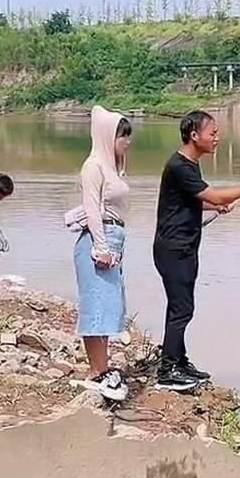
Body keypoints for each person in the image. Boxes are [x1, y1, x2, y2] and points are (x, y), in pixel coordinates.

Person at [153, 110, 240, 392]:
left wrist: (214, 206)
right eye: (212, 133)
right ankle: (167, 370)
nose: (217, 138)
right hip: (174, 249)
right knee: (182, 309)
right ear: (195, 136)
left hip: (184, 247)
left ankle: (178, 360)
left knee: (181, 307)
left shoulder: (189, 165)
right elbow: (213, 194)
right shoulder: (180, 166)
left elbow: (192, 201)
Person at [73, 106, 132, 403]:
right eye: (123, 136)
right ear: (109, 137)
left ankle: (102, 368)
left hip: (114, 239)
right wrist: (101, 247)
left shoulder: (113, 167)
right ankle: (96, 373)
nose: (127, 142)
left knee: (108, 307)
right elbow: (92, 209)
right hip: (100, 241)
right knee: (96, 307)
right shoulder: (94, 166)